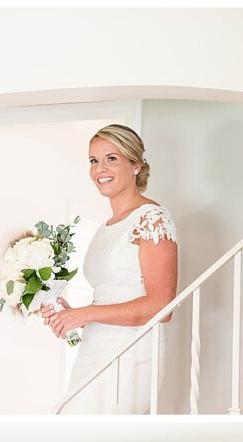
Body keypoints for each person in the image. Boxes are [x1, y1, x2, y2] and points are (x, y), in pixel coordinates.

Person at [42, 125, 179, 414]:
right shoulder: (105, 228)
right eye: (94, 160)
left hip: (132, 352)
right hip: (94, 349)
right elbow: (113, 296)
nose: (100, 169)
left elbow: (162, 307)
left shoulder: (152, 219)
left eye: (111, 158)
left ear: (135, 165)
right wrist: (72, 314)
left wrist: (86, 313)